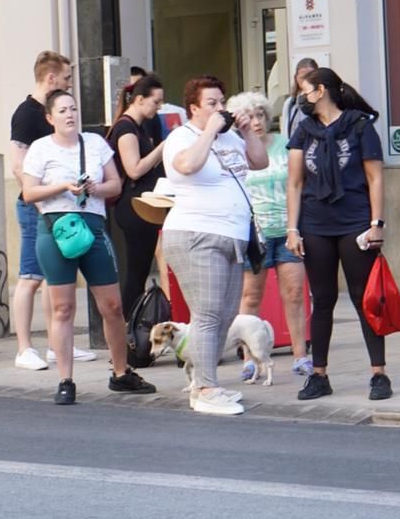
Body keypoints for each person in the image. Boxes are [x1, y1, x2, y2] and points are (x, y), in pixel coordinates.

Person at [21, 89, 158, 404]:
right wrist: (63, 186)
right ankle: (66, 380)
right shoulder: (41, 148)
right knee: (63, 307)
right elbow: (29, 193)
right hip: (56, 230)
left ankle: (121, 372)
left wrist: (95, 188)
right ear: (49, 117)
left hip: (93, 228)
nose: (70, 115)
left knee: (112, 306)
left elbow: (117, 185)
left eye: (73, 109)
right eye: (63, 110)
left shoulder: (95, 144)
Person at [161, 74, 269, 416]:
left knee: (224, 315)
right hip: (196, 234)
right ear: (194, 108)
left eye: (223, 102)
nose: (220, 109)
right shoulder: (182, 136)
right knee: (207, 314)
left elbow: (259, 161)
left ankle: (205, 382)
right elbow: (188, 166)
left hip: (233, 236)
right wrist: (209, 130)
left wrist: (248, 129)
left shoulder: (231, 138)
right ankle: (205, 388)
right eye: (212, 103)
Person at [286, 67, 391, 401]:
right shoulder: (304, 130)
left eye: (305, 91)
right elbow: (295, 182)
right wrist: (293, 228)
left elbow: (374, 178)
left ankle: (379, 374)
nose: (301, 98)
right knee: (323, 299)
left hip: (354, 222)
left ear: (321, 91)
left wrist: (377, 224)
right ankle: (319, 375)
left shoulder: (360, 126)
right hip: (316, 223)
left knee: (365, 299)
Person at [8, 51, 94, 370]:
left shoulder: (46, 114)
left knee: (51, 278)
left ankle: (57, 347)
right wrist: (42, 200)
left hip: (56, 205)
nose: (70, 84)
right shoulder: (27, 114)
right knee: (30, 275)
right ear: (51, 79)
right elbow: (19, 165)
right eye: (67, 78)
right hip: (37, 206)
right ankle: (23, 348)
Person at [226, 90, 311, 380]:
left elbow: (298, 185)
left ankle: (301, 356)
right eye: (249, 117)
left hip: (287, 229)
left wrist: (295, 227)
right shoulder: (236, 149)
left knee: (295, 293)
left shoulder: (284, 147)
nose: (257, 122)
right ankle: (249, 358)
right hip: (255, 234)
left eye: (260, 115)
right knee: (251, 297)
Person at [107, 73, 168, 318]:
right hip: (134, 207)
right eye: (156, 101)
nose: (159, 107)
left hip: (142, 205)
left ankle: (131, 330)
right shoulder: (126, 128)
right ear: (140, 99)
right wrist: (162, 149)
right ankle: (128, 332)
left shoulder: (137, 126)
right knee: (136, 272)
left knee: (140, 270)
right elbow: (134, 168)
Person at [281, 57, 319, 136]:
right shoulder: (290, 103)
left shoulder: (322, 100)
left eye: (310, 76)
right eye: (303, 78)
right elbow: (285, 133)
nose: (307, 81)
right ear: (296, 78)